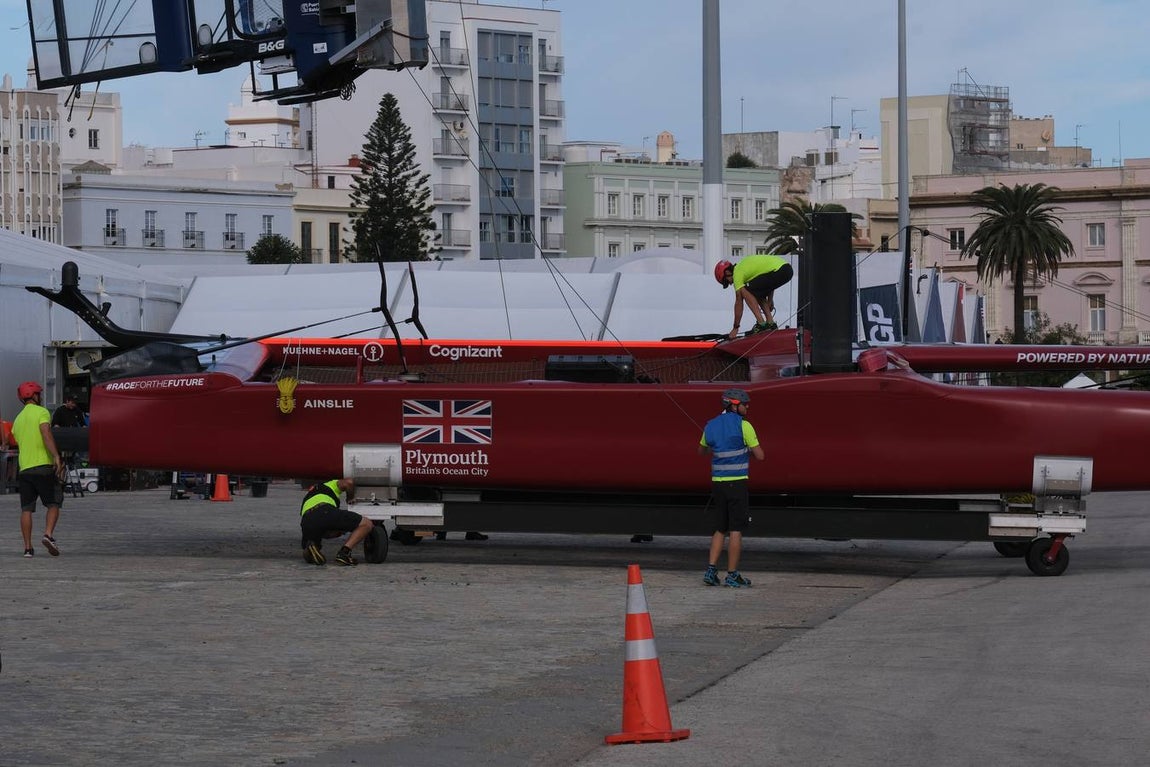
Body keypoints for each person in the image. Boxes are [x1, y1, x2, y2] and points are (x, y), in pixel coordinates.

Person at [698, 388, 764, 588]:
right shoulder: (745, 426)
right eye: (745, 404)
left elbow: (702, 451)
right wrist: (746, 450)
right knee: (735, 529)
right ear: (734, 404)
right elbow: (760, 455)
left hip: (718, 484)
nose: (747, 407)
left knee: (720, 528)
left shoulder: (710, 425)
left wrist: (715, 447)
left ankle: (711, 570)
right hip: (737, 483)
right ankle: (733, 575)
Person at [12, 382, 65, 558]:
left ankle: (28, 548)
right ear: (35, 396)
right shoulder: (42, 412)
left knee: (26, 509)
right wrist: (56, 456)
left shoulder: (17, 420)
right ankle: (48, 535)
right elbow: (45, 433)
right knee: (53, 503)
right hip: (43, 466)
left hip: (24, 469)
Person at [714, 255, 794, 340]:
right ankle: (770, 323)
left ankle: (761, 325)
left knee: (744, 290)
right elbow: (768, 280)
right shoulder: (744, 268)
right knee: (755, 291)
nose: (730, 284)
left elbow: (739, 303)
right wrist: (770, 300)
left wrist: (735, 328)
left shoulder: (737, 273)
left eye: (726, 282)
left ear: (727, 272)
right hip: (786, 269)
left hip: (779, 270)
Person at [299, 478, 373, 566]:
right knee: (366, 524)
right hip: (324, 510)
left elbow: (322, 525)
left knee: (310, 547)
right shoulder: (330, 484)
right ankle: (344, 553)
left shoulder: (309, 495)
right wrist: (350, 498)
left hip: (306, 520)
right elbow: (349, 482)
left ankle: (311, 548)